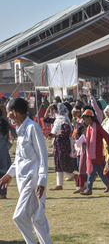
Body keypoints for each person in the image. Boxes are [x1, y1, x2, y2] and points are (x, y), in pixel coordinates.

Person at [0, 98, 52, 244]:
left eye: (8, 112)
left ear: (14, 112)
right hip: (23, 181)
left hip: (33, 181)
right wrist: (10, 174)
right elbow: (20, 159)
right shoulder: (20, 130)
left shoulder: (32, 128)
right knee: (38, 219)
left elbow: (43, 157)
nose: (7, 115)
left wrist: (42, 181)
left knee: (19, 217)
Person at [80, 109, 109, 195]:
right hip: (91, 154)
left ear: (90, 118)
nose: (83, 120)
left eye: (85, 118)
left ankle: (89, 189)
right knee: (99, 171)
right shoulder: (88, 128)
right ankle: (108, 185)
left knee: (91, 171)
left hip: (96, 154)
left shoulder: (98, 128)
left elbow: (107, 136)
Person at [44, 103, 77, 190]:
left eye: (55, 110)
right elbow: (46, 119)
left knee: (63, 164)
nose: (54, 111)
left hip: (64, 145)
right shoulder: (57, 119)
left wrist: (56, 135)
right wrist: (48, 108)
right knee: (58, 164)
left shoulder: (64, 120)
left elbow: (67, 133)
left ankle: (75, 177)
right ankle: (59, 184)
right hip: (58, 144)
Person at [0, 108, 17, 199]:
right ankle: (2, 194)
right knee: (4, 173)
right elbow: (15, 134)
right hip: (3, 152)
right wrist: (10, 143)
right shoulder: (5, 123)